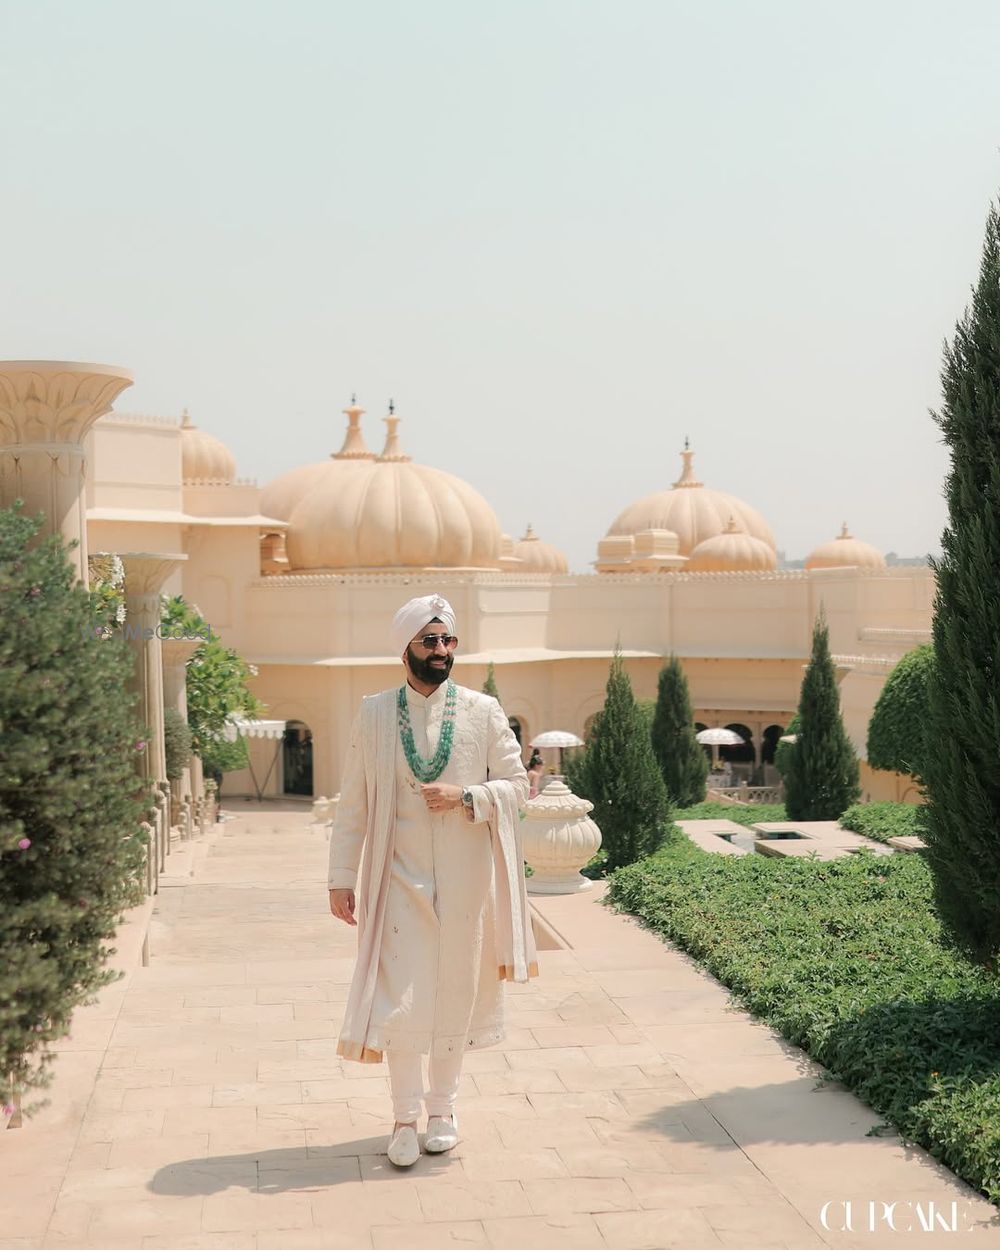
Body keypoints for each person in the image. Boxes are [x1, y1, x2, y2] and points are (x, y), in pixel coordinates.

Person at [328, 593, 536, 1168]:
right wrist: (341, 877)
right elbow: (354, 804)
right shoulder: (373, 714)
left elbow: (518, 787)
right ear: (406, 649)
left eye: (448, 641)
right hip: (397, 880)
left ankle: (442, 1111)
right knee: (402, 999)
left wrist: (468, 797)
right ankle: (402, 1117)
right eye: (430, 641)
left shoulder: (482, 710)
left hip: (467, 882)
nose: (442, 650)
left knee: (455, 991)